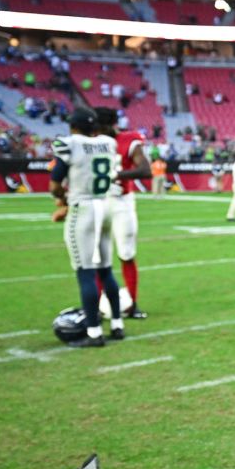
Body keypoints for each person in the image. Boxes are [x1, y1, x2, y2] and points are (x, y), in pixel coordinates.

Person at [48, 108, 125, 347]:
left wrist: (62, 199)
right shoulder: (107, 143)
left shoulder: (70, 144)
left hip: (83, 209)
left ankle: (93, 332)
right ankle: (117, 324)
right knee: (105, 269)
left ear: (74, 127)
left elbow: (54, 184)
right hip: (104, 205)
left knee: (85, 272)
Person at [95, 107, 152, 319]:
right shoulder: (91, 143)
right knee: (99, 256)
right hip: (99, 202)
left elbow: (145, 170)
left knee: (126, 253)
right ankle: (98, 305)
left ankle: (132, 304)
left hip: (121, 202)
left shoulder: (129, 140)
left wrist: (117, 174)